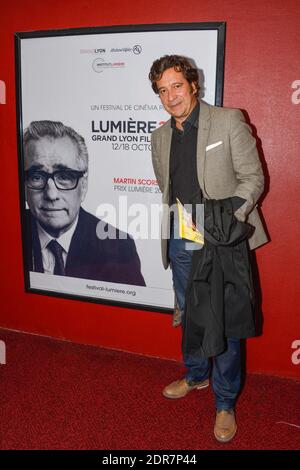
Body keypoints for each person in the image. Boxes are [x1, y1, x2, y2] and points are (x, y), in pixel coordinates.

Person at [149, 55, 267, 442]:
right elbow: (167, 187)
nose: (171, 96)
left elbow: (253, 178)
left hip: (223, 240)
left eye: (177, 86)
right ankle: (197, 375)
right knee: (190, 313)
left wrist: (225, 216)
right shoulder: (159, 136)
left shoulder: (228, 120)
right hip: (183, 238)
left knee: (227, 321)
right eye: (163, 90)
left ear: (194, 85)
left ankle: (225, 402)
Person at [23, 120, 145, 286]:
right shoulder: (8, 235)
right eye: (37, 177)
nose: (51, 194)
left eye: (65, 177)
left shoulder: (118, 247)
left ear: (84, 184)